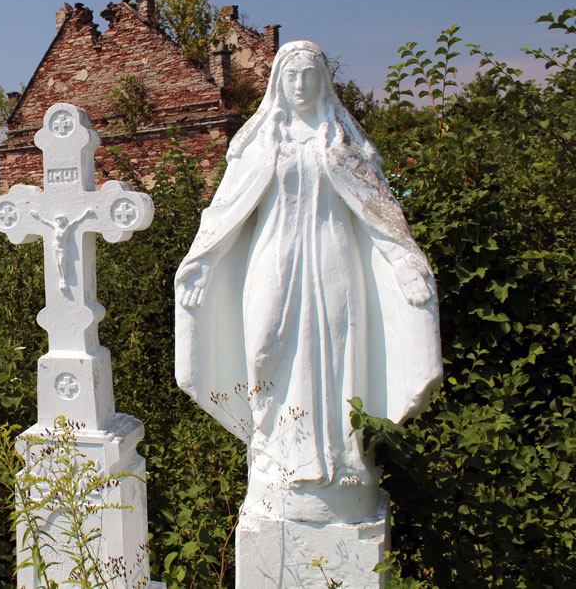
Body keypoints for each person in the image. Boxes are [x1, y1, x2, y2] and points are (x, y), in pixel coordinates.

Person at [174, 40, 442, 523]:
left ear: (324, 81)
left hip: (334, 257)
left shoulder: (342, 144)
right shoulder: (260, 144)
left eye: (310, 75)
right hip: (272, 259)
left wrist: (403, 261)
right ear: (278, 83)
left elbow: (380, 211)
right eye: (292, 76)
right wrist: (204, 263)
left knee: (338, 352)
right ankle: (273, 451)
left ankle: (343, 457)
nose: (300, 85)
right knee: (264, 348)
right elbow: (226, 211)